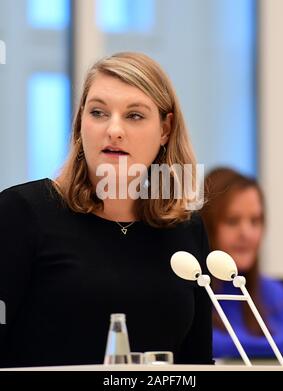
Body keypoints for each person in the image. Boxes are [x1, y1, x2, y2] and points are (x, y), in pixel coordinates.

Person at [0, 52, 213, 367]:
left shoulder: (187, 229)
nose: (114, 130)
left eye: (134, 116)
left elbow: (198, 363)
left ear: (166, 130)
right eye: (98, 112)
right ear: (80, 123)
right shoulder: (21, 212)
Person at [200, 167, 283, 359]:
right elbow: (204, 344)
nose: (247, 233)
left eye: (255, 221)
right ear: (207, 227)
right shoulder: (189, 293)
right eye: (232, 221)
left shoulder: (277, 294)